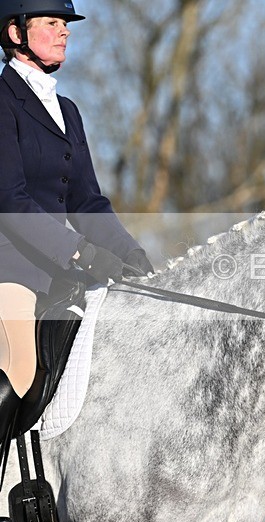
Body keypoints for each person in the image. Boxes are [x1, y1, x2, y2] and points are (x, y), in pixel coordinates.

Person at [0, 0, 153, 486]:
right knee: (21, 369)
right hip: (11, 270)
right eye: (51, 23)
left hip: (63, 274)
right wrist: (78, 251)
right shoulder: (1, 102)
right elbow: (10, 198)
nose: (64, 32)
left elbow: (87, 200)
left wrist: (132, 255)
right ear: (15, 32)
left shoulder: (66, 110)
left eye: (66, 24)